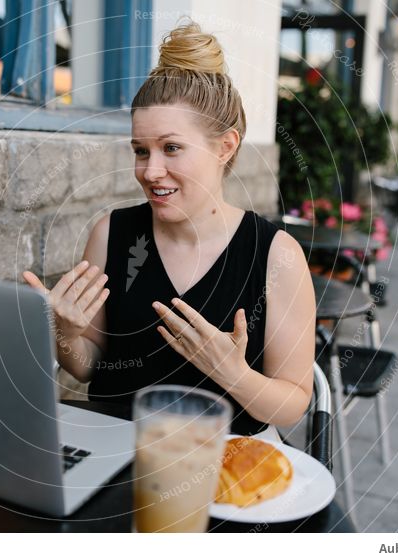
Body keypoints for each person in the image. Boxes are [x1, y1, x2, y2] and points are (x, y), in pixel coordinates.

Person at [23, 21, 315, 436]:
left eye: (171, 148)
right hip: (113, 449)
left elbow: (292, 403)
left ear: (225, 146)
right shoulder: (112, 234)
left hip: (223, 465)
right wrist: (64, 331)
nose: (150, 171)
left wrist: (232, 373)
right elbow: (87, 367)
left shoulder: (277, 255)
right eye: (141, 150)